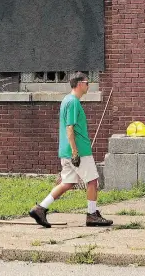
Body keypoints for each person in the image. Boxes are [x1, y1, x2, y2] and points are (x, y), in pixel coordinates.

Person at [29, 72, 113, 228]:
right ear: (80, 84)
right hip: (79, 151)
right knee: (92, 181)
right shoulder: (73, 102)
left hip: (66, 151)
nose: (88, 86)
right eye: (87, 83)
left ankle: (40, 208)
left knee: (67, 183)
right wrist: (76, 152)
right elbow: (69, 128)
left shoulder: (66, 100)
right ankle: (92, 215)